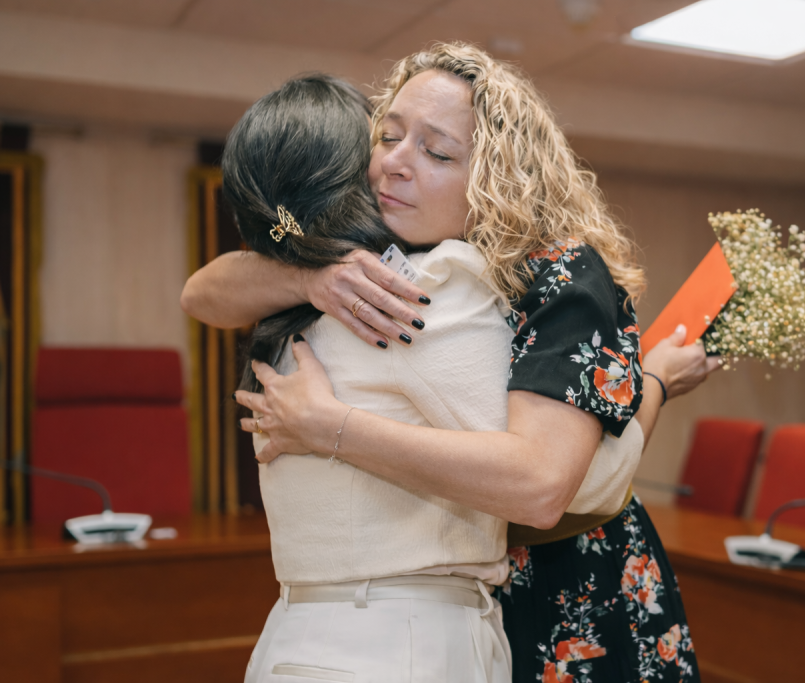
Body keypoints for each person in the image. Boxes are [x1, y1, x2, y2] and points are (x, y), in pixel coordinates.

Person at [183, 43, 717, 682]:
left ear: (496, 178)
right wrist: (307, 276)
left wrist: (332, 416)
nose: (394, 166)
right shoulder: (395, 280)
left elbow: (554, 483)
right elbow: (204, 290)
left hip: (540, 585)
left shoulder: (547, 278)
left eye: (437, 153)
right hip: (408, 628)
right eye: (386, 139)